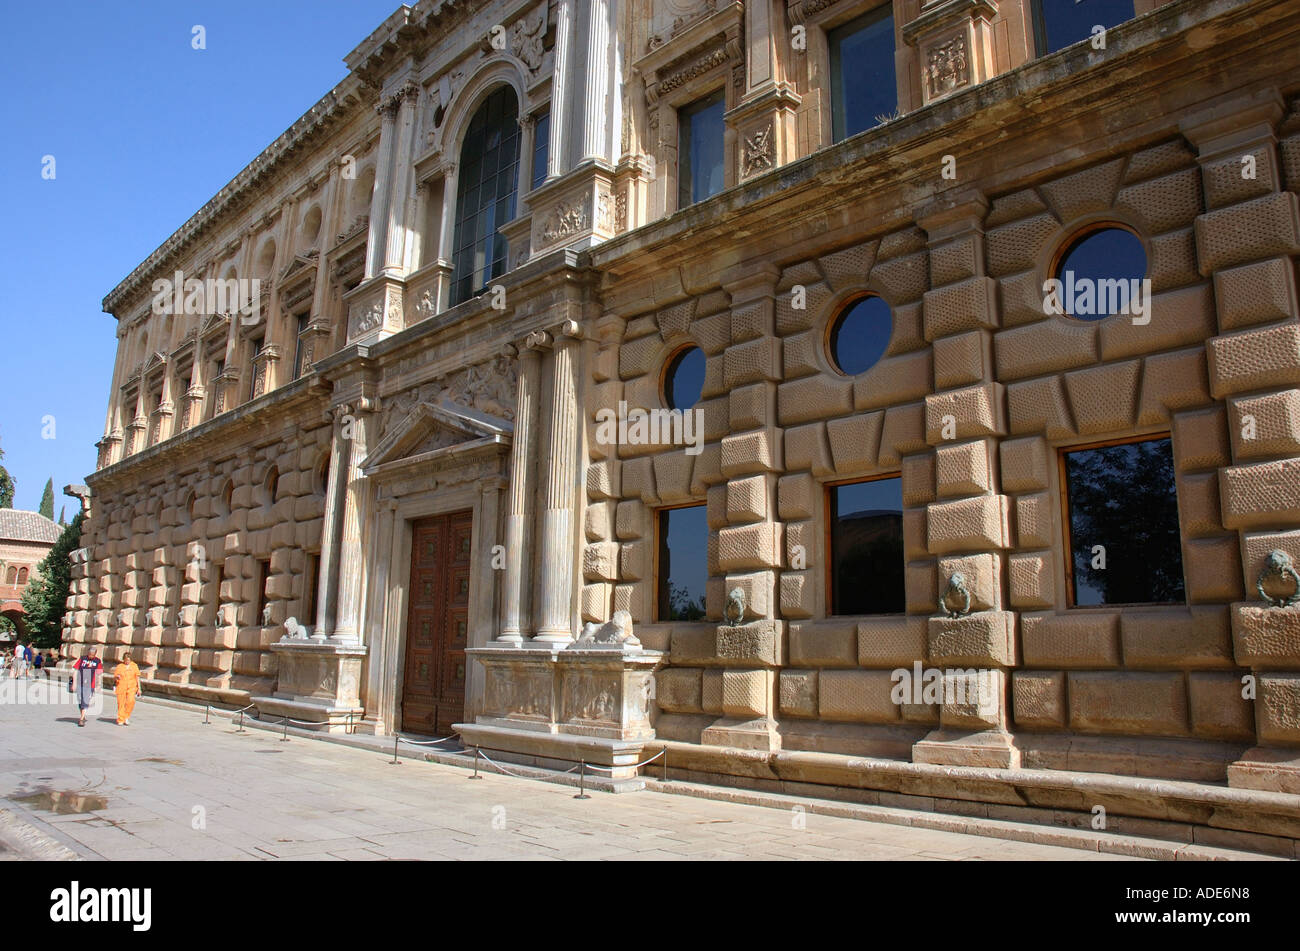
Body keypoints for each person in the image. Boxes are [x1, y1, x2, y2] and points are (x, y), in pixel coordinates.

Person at [72, 647, 102, 727]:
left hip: (90, 685)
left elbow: (99, 673)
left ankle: (81, 719)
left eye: (92, 655)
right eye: (89, 654)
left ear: (95, 654)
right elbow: (75, 670)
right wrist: (74, 683)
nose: (90, 656)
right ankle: (83, 715)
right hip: (80, 683)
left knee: (85, 700)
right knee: (80, 701)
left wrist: (99, 685)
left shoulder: (97, 661)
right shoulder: (82, 659)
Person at [112, 652, 141, 726]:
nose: (127, 662)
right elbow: (114, 677)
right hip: (121, 686)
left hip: (132, 687)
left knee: (131, 701)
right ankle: (121, 719)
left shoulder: (134, 666)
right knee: (121, 703)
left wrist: (139, 688)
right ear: (123, 660)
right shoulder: (120, 666)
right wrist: (117, 677)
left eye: (128, 660)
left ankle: (126, 716)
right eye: (126, 660)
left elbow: (137, 677)